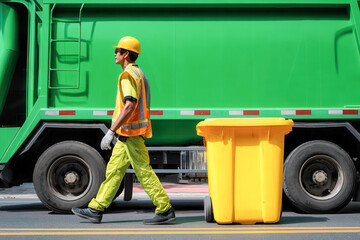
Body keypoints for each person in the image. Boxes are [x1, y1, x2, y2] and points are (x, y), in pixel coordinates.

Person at [71, 36, 175, 225]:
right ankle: (96, 208)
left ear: (126, 54)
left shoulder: (127, 75)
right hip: (126, 135)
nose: (115, 54)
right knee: (114, 171)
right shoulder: (139, 73)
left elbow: (129, 104)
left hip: (130, 135)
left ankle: (164, 208)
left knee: (143, 172)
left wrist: (111, 130)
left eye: (117, 51)